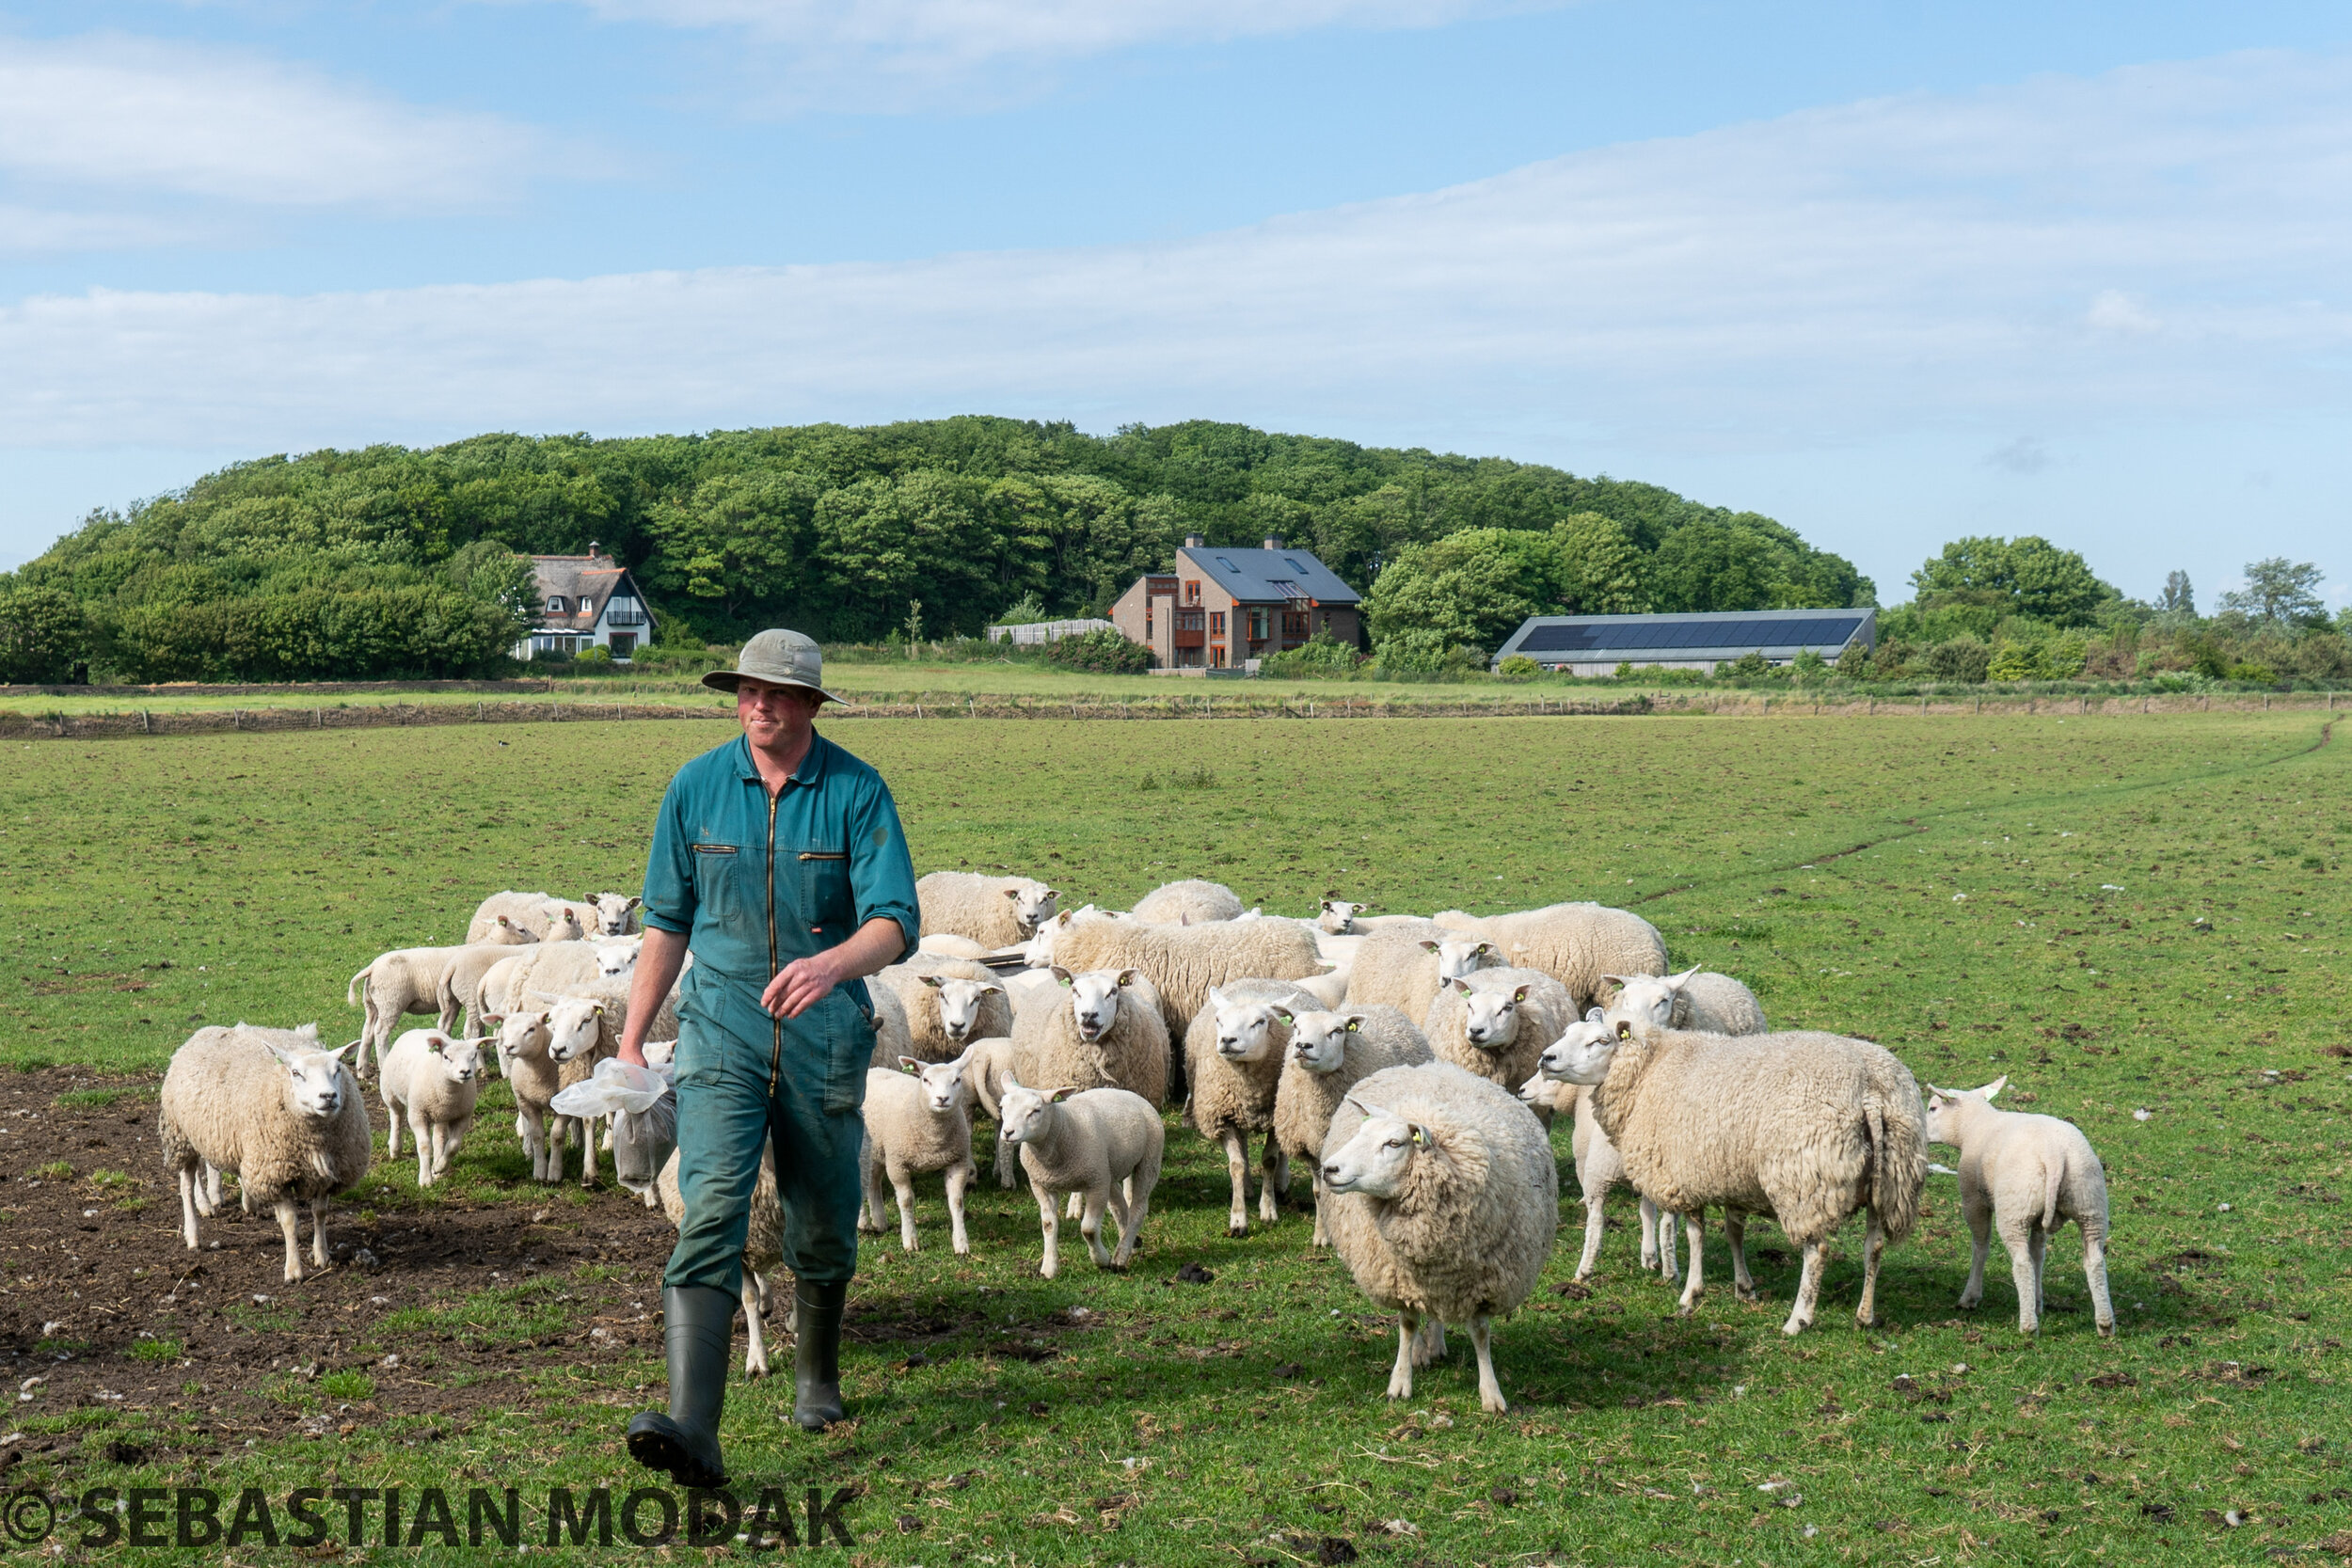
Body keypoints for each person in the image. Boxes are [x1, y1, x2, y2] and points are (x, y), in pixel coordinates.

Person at [614, 628, 919, 1487]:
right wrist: (634, 1036)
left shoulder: (858, 792)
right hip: (722, 1026)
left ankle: (816, 1372)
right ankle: (694, 1427)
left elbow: (896, 920)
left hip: (826, 1030)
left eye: (780, 694)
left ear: (813, 705)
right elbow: (667, 922)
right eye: (749, 691)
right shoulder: (697, 786)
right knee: (709, 1201)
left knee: (821, 1217)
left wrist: (831, 965)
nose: (761, 705)